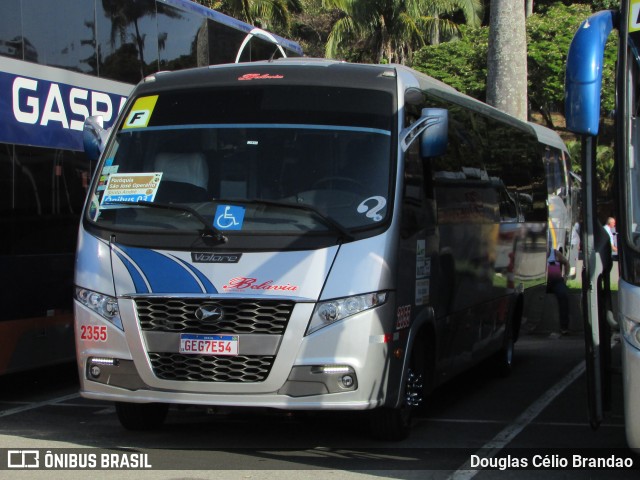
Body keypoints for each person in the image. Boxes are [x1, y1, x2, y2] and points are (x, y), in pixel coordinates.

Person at [547, 246, 571, 335]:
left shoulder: (555, 253)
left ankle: (564, 327)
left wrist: (565, 276)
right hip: (540, 281)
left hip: (555, 281)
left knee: (563, 295)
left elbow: (566, 263)